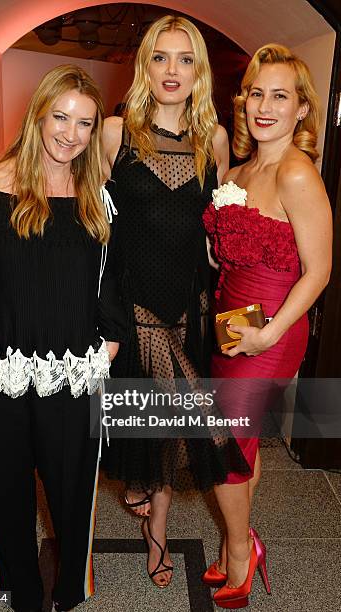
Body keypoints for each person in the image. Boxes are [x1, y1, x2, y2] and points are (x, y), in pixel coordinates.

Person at [0, 65, 126, 612]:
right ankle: (22, 592)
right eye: (60, 117)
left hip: (73, 372)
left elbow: (110, 274)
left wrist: (112, 338)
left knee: (73, 495)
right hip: (0, 374)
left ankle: (70, 591)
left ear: (95, 132)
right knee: (6, 493)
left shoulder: (97, 194)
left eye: (85, 123)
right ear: (38, 116)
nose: (70, 134)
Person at [102, 15, 250, 588]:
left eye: (184, 59)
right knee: (196, 422)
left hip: (187, 302)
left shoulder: (213, 140)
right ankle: (237, 540)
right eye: (161, 57)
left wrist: (230, 253)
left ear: (199, 71)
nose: (172, 69)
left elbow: (211, 231)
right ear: (145, 65)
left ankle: (156, 538)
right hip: (131, 305)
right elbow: (93, 221)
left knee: (161, 435)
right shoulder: (116, 134)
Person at [203, 44, 332, 608]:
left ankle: (239, 555)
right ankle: (241, 541)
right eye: (257, 93)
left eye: (280, 96)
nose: (264, 105)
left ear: (301, 109)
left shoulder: (297, 172)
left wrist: (270, 334)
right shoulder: (240, 170)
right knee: (241, 447)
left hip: (269, 331)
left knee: (223, 447)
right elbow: (230, 254)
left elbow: (322, 269)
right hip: (233, 323)